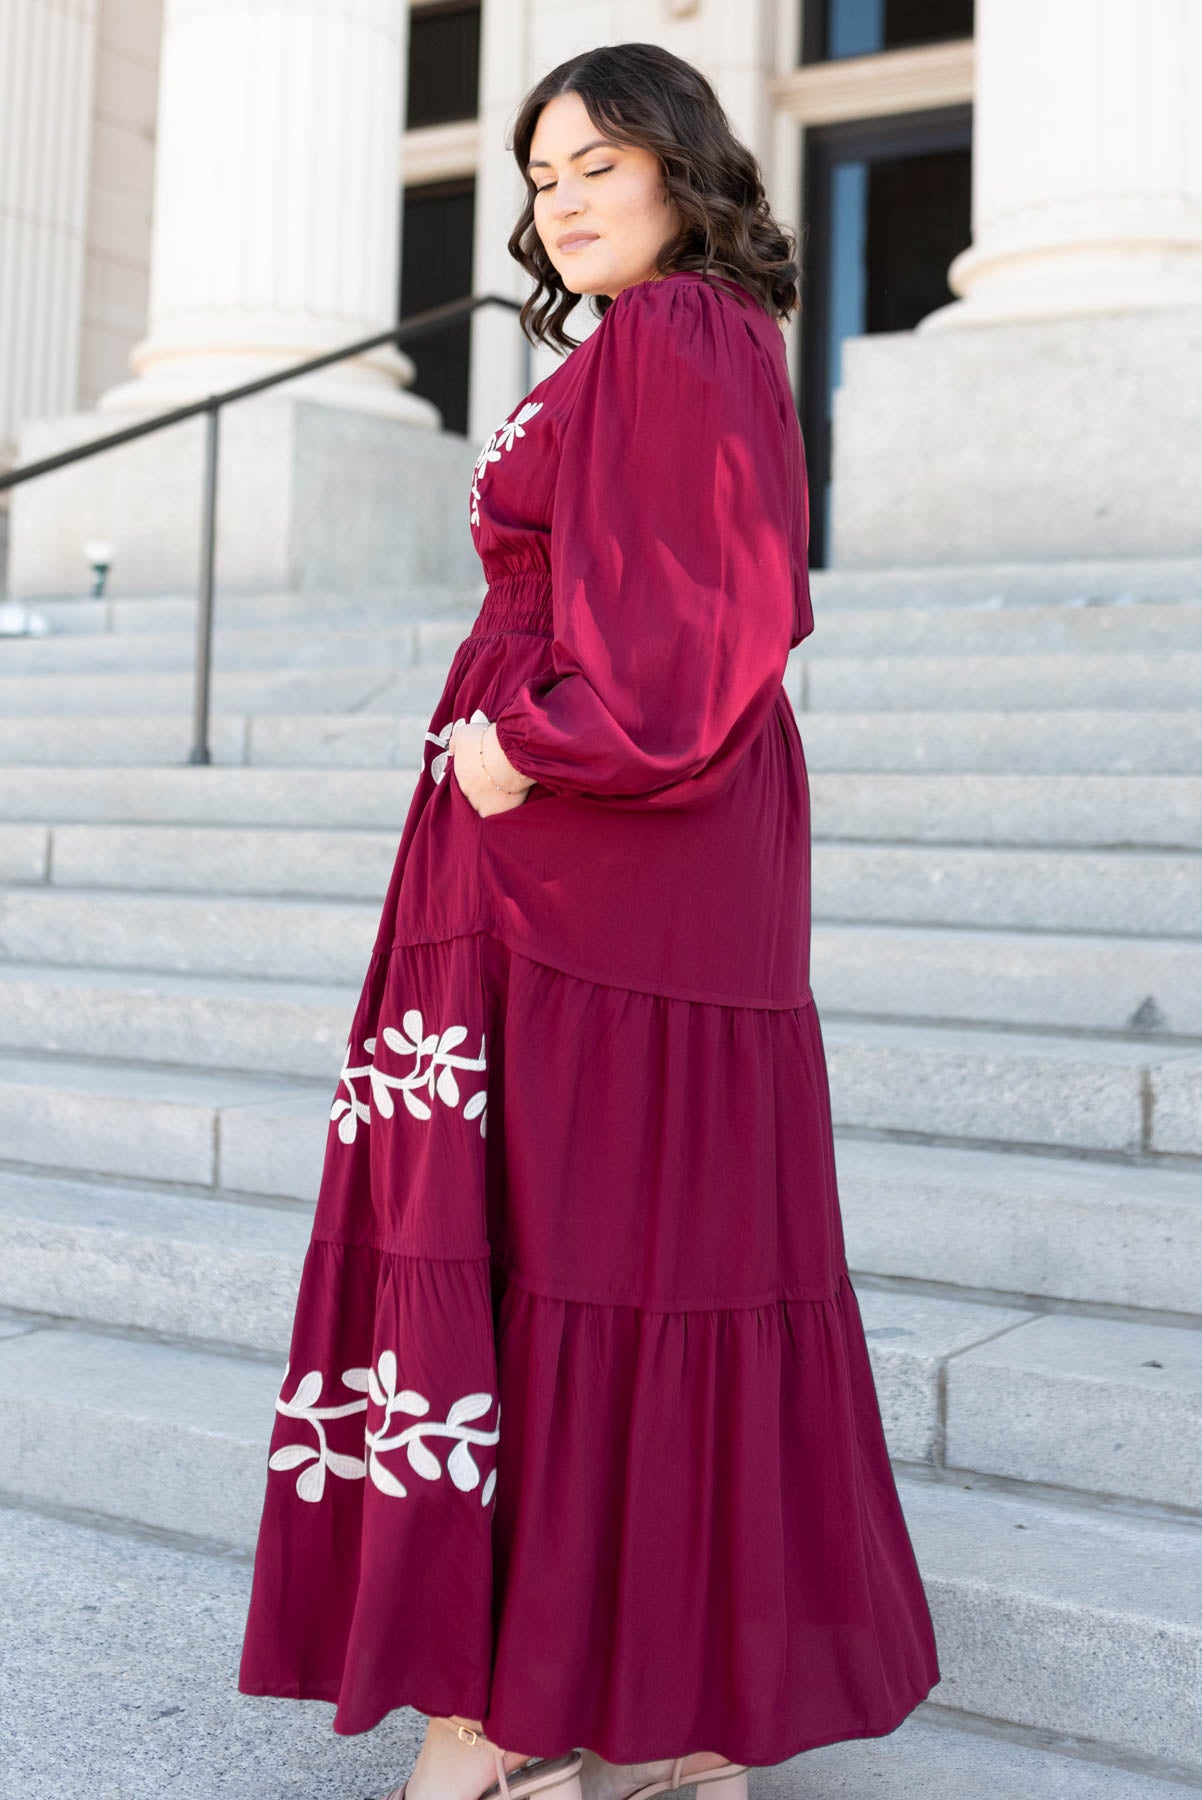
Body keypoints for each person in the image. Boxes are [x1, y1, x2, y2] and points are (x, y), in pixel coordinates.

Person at [237, 40, 940, 1800]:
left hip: (594, 832)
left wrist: (533, 742)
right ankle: (663, 1715)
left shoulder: (683, 330)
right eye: (539, 176)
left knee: (580, 1235)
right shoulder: (646, 342)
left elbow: (719, 600)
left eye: (593, 164)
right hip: (566, 828)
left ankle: (515, 1719)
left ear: (681, 171)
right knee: (613, 1242)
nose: (558, 199)